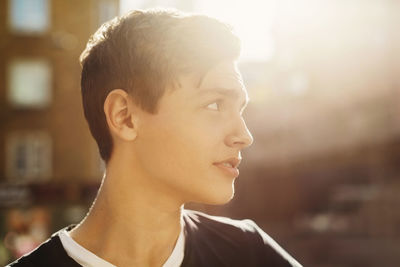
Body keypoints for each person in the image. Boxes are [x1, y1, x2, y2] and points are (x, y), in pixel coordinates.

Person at [7, 8, 302, 267]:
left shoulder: (249, 254)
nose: (244, 136)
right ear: (125, 116)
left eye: (240, 110)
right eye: (214, 105)